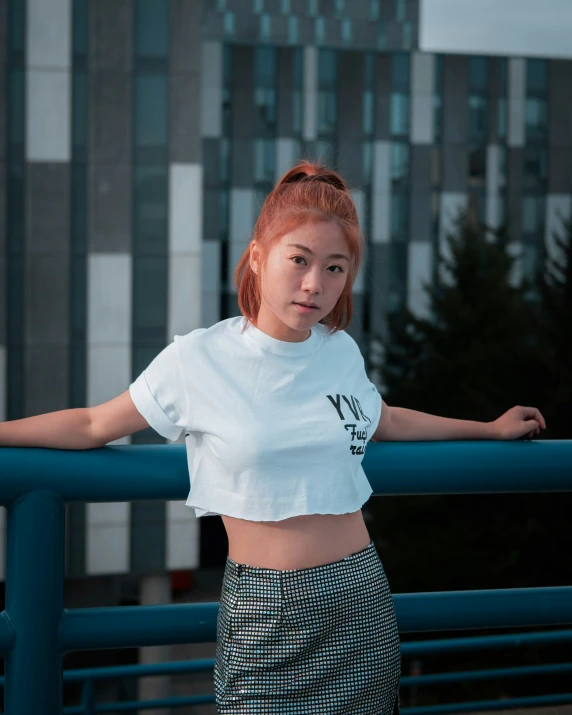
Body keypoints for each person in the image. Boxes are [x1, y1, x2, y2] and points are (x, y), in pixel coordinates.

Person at [0, 160, 546, 714]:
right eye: (300, 260)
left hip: (359, 599)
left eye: (336, 269)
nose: (316, 285)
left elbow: (387, 420)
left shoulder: (339, 351)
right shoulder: (201, 358)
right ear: (259, 257)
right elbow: (94, 425)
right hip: (266, 609)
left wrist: (489, 429)